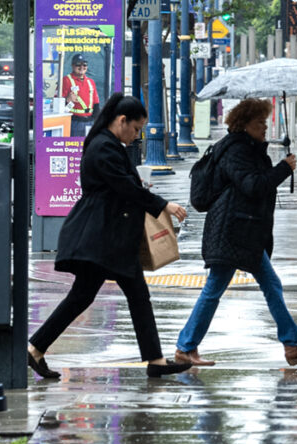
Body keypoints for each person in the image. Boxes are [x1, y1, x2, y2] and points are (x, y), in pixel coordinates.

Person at [28, 93, 191, 379]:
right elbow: (123, 186)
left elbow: (125, 185)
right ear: (122, 120)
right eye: (137, 129)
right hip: (102, 236)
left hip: (107, 236)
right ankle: (155, 360)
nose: (137, 135)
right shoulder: (104, 146)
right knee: (114, 296)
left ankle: (36, 349)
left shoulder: (108, 144)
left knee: (97, 296)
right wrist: (162, 204)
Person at [175, 98, 297, 367]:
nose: (265, 128)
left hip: (244, 232)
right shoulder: (236, 150)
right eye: (260, 123)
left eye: (266, 123)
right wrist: (284, 169)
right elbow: (253, 185)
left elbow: (256, 183)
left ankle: (293, 344)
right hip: (233, 233)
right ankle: (185, 347)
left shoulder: (248, 148)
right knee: (214, 289)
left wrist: (278, 166)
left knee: (270, 284)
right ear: (244, 125)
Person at [62, 53, 100, 137]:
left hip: (90, 122)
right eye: (78, 64)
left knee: (88, 148)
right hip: (74, 123)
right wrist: (67, 100)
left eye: (84, 64)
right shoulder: (66, 80)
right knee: (74, 148)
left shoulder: (91, 82)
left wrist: (96, 122)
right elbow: (57, 104)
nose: (82, 67)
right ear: (72, 65)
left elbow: (96, 104)